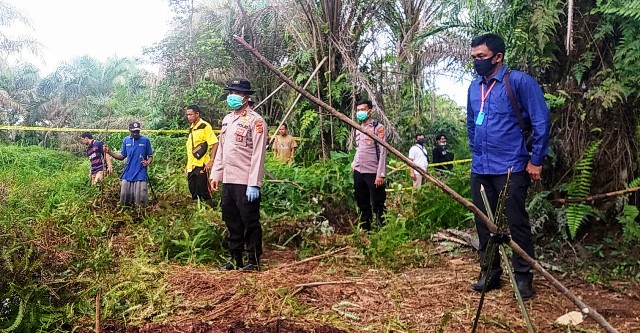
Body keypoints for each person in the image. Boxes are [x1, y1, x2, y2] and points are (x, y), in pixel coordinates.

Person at [466, 33, 550, 300]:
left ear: (498, 57)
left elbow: (541, 121)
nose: (477, 62)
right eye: (474, 57)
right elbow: (470, 122)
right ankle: (489, 272)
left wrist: (536, 160)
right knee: (484, 222)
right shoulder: (473, 87)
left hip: (511, 166)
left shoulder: (520, 83)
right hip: (481, 167)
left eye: (482, 57)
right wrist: (475, 150)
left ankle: (523, 276)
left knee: (516, 222)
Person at [210, 78, 267, 272]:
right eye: (231, 92)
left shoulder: (256, 121)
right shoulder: (227, 120)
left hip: (245, 181)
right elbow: (222, 150)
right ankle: (235, 259)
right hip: (229, 180)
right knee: (231, 219)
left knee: (249, 221)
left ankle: (253, 260)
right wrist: (216, 174)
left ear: (246, 97)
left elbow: (258, 154)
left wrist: (254, 183)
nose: (232, 96)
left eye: (237, 93)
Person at [351, 99, 387, 231]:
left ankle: (384, 228)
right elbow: (359, 148)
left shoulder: (378, 128)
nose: (360, 112)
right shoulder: (359, 128)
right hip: (359, 170)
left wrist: (381, 174)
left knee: (378, 202)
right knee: (362, 201)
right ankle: (366, 228)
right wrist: (354, 163)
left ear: (370, 111)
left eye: (362, 110)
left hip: (373, 171)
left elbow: (383, 152)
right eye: (358, 110)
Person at [105, 122, 154, 206]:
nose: (135, 133)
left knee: (141, 198)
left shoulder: (145, 140)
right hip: (128, 172)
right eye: (133, 131)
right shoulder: (126, 140)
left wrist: (147, 162)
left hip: (140, 172)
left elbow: (150, 156)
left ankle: (141, 213)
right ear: (129, 130)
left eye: (137, 131)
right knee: (125, 198)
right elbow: (122, 156)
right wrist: (109, 152)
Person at [185, 105, 219, 208]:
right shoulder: (192, 128)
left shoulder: (205, 126)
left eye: (191, 114)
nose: (189, 117)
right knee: (193, 189)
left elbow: (215, 143)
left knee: (204, 190)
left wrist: (211, 161)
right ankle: (198, 210)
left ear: (197, 114)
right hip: (192, 165)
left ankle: (210, 210)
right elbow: (191, 149)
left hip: (202, 164)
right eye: (187, 115)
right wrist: (187, 165)